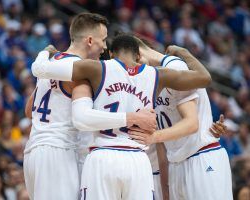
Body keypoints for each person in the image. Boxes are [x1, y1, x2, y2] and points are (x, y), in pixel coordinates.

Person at [31, 34, 212, 199]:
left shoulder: (96, 68)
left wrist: (46, 52)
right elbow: (204, 77)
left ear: (110, 54)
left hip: (102, 157)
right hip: (137, 160)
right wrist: (182, 53)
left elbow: (40, 69)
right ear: (139, 56)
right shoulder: (158, 75)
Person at [23, 13, 156, 200]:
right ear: (90, 40)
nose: (104, 46)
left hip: (34, 151)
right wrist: (133, 117)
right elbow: (84, 118)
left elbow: (29, 111)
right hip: (59, 151)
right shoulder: (81, 70)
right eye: (102, 40)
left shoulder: (53, 63)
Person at [129, 42, 233, 200]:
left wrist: (154, 136)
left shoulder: (176, 67)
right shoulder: (148, 81)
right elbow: (162, 147)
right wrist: (166, 190)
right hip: (176, 165)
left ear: (138, 55)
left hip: (200, 156)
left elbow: (191, 123)